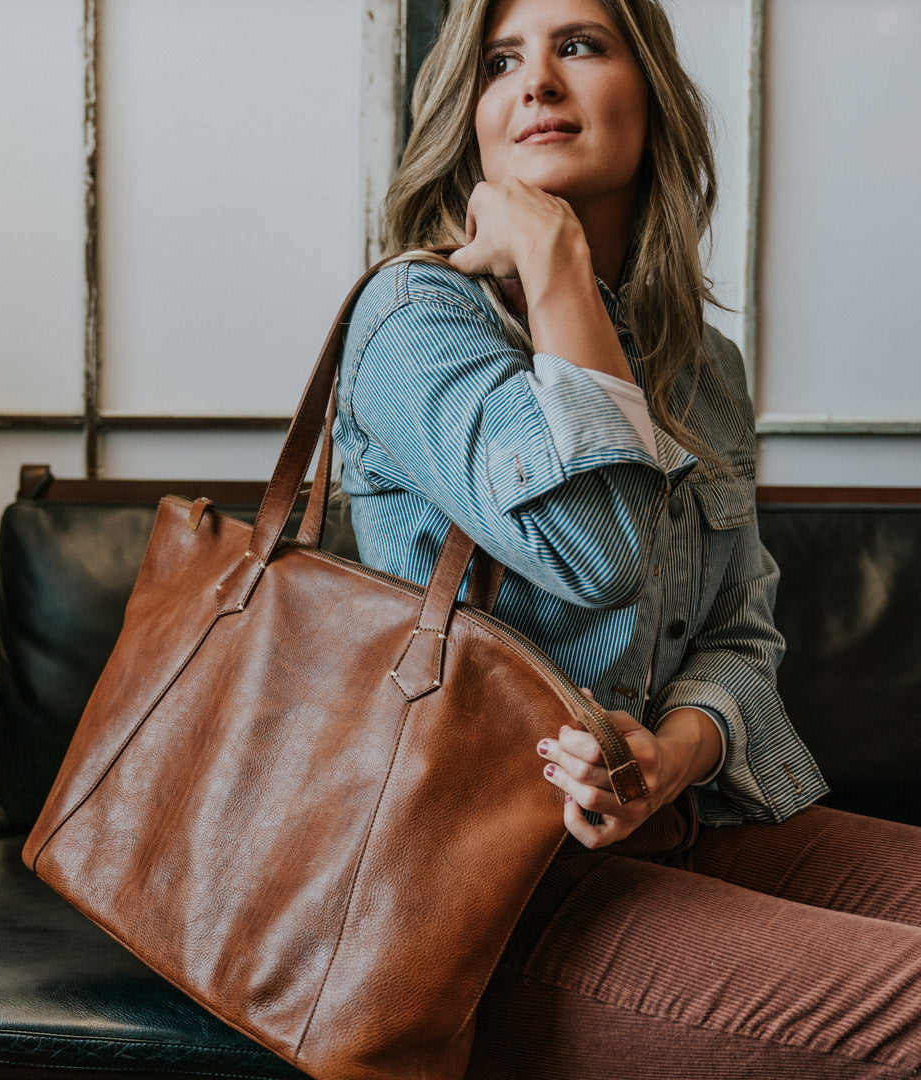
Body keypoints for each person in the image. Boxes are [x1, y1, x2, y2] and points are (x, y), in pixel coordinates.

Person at [332, 0, 921, 1075]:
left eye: (581, 46)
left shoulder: (701, 367)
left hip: (687, 831)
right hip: (492, 904)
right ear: (470, 114)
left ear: (651, 98)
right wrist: (554, 263)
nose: (538, 83)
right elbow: (595, 553)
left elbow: (741, 641)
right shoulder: (414, 320)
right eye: (503, 60)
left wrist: (669, 755)